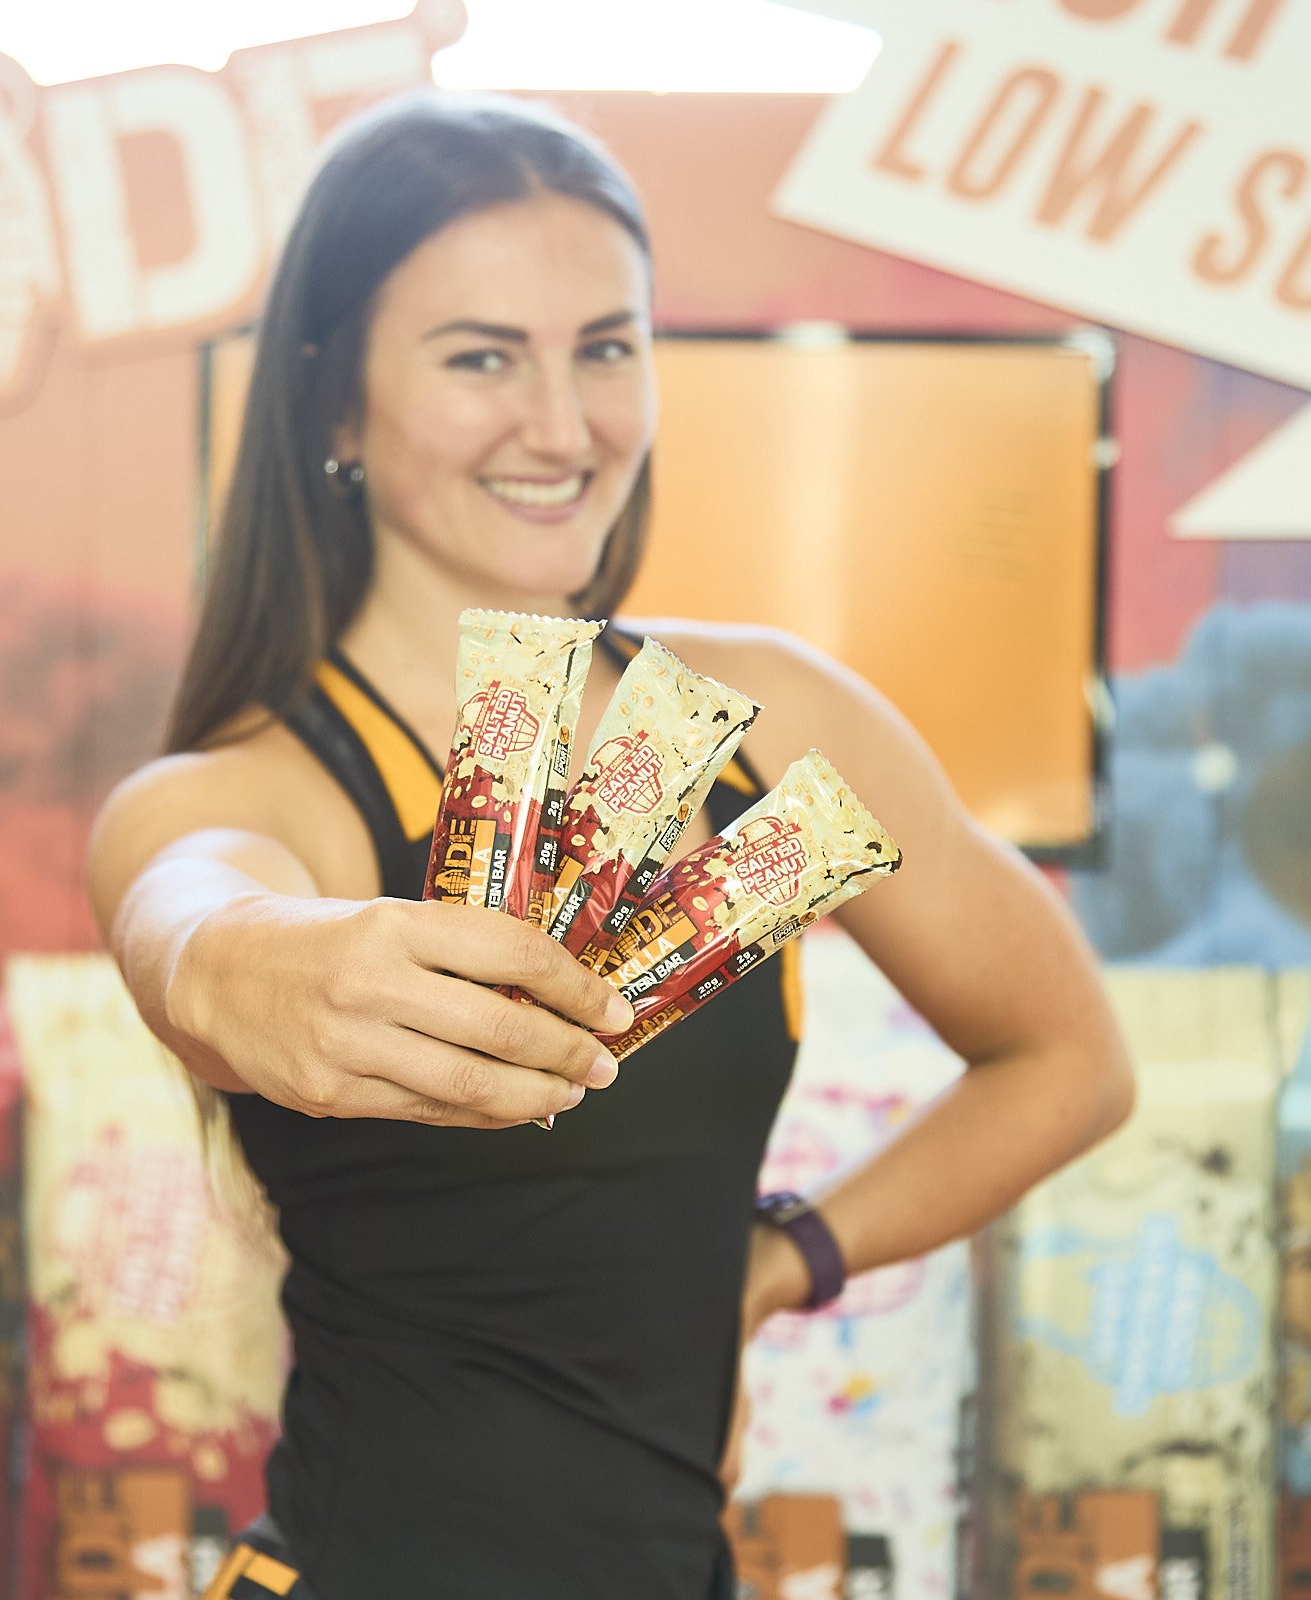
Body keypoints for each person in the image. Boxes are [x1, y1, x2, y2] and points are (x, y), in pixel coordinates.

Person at [87, 90, 1134, 1600]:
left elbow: (1068, 1057)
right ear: (331, 403)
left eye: (606, 348)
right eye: (481, 358)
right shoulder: (253, 790)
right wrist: (246, 964)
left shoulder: (761, 718)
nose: (564, 425)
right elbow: (184, 915)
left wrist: (783, 1263)